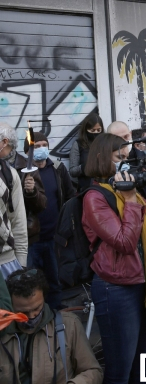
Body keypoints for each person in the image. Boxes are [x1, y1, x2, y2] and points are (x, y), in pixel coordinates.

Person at [82, 133, 146, 384]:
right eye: (119, 158)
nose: (125, 163)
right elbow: (125, 242)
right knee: (119, 371)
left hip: (142, 284)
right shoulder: (96, 197)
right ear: (102, 158)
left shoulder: (126, 192)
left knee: (142, 369)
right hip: (116, 289)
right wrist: (132, 200)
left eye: (126, 157)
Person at [0, 267, 103, 384]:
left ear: (44, 298)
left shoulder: (68, 325)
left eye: (37, 308)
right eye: (23, 312)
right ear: (11, 306)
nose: (32, 316)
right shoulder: (3, 331)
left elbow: (93, 372)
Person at [25, 132, 75, 310]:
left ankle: (56, 311)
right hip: (33, 238)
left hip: (54, 236)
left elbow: (69, 196)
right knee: (32, 278)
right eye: (36, 146)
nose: (40, 149)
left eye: (43, 145)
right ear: (28, 150)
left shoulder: (58, 168)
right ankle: (36, 311)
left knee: (54, 277)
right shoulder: (23, 173)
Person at [0, 123, 28, 278]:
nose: (8, 154)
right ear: (4, 142)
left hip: (6, 260)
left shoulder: (9, 174)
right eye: (9, 149)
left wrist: (21, 264)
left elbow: (18, 221)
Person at [69, 112, 104, 191]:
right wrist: (84, 167)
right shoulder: (78, 144)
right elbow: (72, 171)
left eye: (98, 130)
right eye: (92, 130)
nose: (96, 133)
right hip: (86, 188)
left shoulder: (105, 143)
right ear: (86, 130)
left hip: (105, 187)